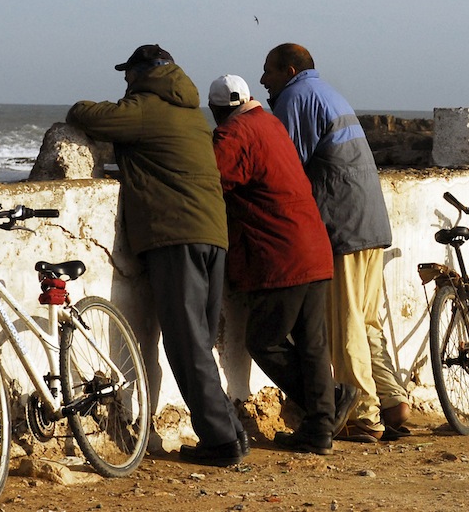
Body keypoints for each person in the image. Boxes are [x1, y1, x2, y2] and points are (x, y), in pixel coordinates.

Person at [67, 45, 245, 467]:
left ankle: (221, 443)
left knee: (187, 347)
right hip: (212, 234)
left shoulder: (147, 106)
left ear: (142, 73)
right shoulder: (190, 111)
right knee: (199, 342)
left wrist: (78, 107)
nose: (124, 82)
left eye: (128, 74)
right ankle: (232, 433)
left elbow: (89, 116)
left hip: (174, 234)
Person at [207, 74, 356, 455]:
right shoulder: (271, 124)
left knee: (265, 340)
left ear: (218, 110)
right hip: (313, 246)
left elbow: (212, 181)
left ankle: (330, 403)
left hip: (280, 254)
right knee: (312, 344)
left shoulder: (233, 134)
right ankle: (321, 425)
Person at [260, 43, 401, 442]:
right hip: (370, 223)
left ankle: (364, 415)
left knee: (346, 325)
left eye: (267, 71)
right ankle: (392, 401)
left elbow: (286, 166)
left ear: (288, 71)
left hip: (342, 226)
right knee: (367, 319)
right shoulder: (327, 93)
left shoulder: (294, 97)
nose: (262, 80)